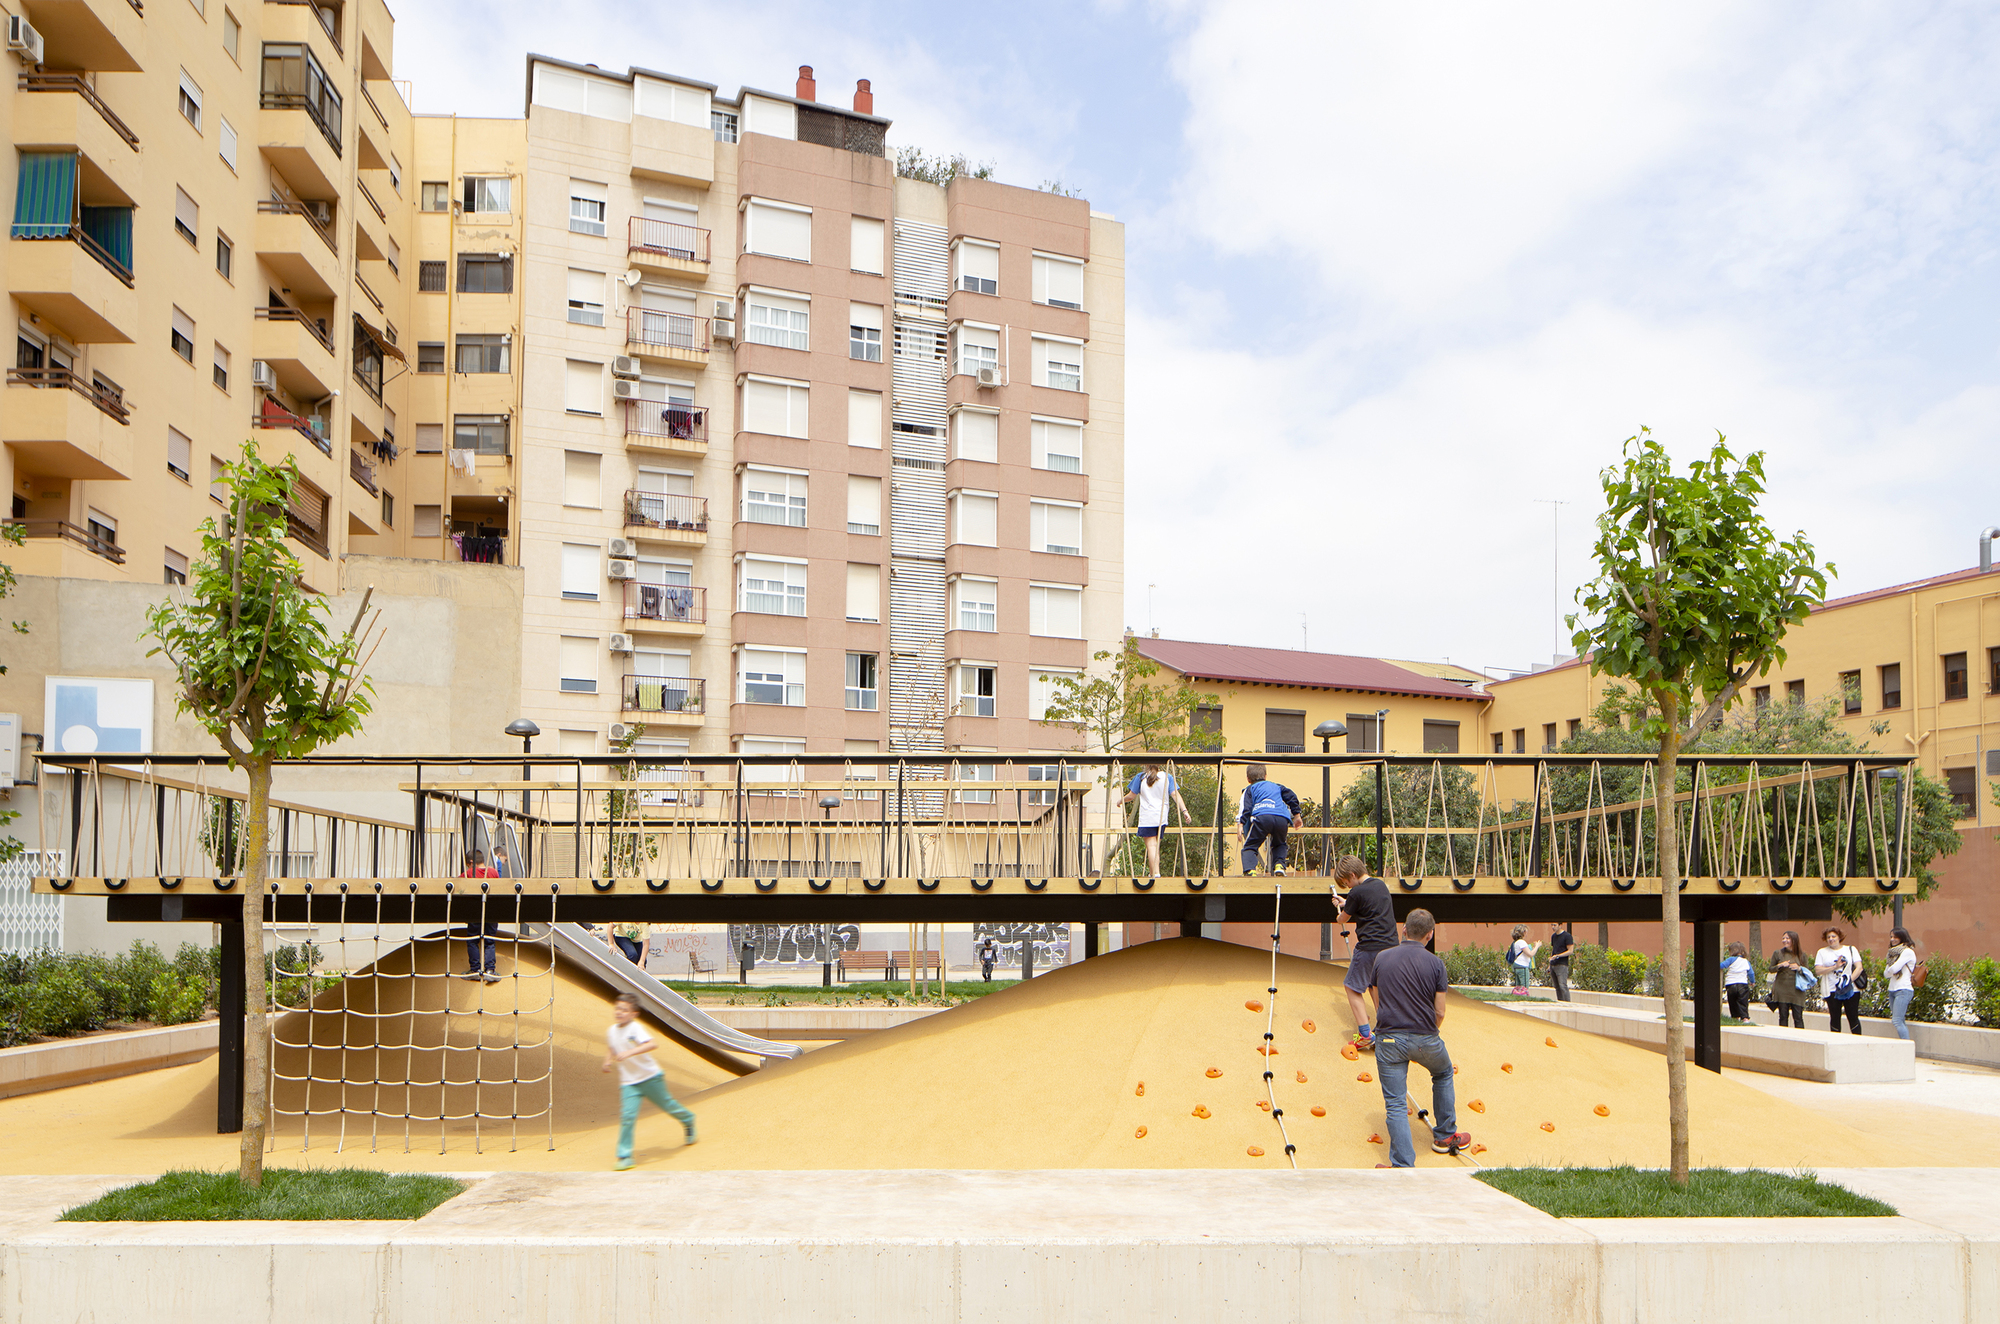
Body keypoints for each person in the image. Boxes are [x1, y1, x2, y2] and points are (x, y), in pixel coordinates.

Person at [1366, 908, 1471, 1168]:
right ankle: (1446, 1135)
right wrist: (1429, 1029)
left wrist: (1386, 1018)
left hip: (1388, 1038)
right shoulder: (1435, 964)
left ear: (1403, 929)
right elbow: (1440, 1011)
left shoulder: (1382, 957)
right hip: (1425, 1038)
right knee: (1444, 1073)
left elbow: (1374, 993)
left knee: (1396, 1102)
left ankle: (1402, 1164)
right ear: (1430, 935)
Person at [601, 992, 696, 1170]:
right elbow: (612, 1046)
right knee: (627, 1116)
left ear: (633, 1014)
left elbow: (652, 1044)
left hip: (650, 1077)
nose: (619, 1012)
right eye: (618, 1008)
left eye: (624, 1010)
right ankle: (625, 1155)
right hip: (629, 1082)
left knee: (668, 1105)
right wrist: (607, 1060)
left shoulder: (635, 1028)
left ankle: (687, 1119)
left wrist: (630, 1052)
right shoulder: (612, 1031)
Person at [1331, 854, 1397, 1053]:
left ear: (1352, 875)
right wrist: (1347, 900)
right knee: (1375, 987)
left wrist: (1339, 913)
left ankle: (1365, 1035)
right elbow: (1368, 907)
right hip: (1391, 947)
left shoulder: (1356, 893)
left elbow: (1343, 918)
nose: (1349, 888)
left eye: (1347, 883)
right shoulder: (1380, 885)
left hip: (1369, 947)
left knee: (1351, 987)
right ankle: (1387, 1033)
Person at [1122, 764, 1192, 879]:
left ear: (1145, 763)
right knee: (1155, 846)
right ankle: (1154, 871)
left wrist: (1121, 800)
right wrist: (1184, 810)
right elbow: (1175, 794)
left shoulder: (1141, 777)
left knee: (1151, 845)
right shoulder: (1167, 777)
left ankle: (1155, 873)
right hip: (1161, 816)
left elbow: (1131, 796)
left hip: (1147, 816)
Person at [1236, 764, 1303, 877]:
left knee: (1250, 845)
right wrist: (1297, 815)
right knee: (1280, 843)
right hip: (1281, 818)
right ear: (1266, 776)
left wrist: (1240, 824)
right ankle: (1279, 865)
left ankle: (1250, 870)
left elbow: (1245, 807)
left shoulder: (1249, 789)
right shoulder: (1277, 786)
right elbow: (1291, 796)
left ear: (1248, 779)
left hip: (1262, 817)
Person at [458, 850, 503, 983]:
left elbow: (458, 889)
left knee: (472, 940)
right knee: (489, 940)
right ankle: (490, 970)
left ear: (471, 863)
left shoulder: (467, 875)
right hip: (491, 911)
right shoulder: (493, 872)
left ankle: (475, 970)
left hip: (475, 911)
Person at [1814, 925, 1863, 1034]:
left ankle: (1858, 1039)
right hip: (1832, 989)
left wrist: (1848, 981)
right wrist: (1834, 967)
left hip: (1851, 989)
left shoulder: (1850, 949)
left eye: (1833, 936)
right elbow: (1818, 970)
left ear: (1839, 937)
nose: (1831, 939)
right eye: (1828, 937)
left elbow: (1859, 967)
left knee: (1853, 1016)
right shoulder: (1822, 952)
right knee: (1835, 1017)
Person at [1768, 931, 1811, 1028]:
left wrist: (1799, 968)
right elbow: (1771, 969)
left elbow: (1808, 972)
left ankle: (1800, 1039)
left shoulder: (1801, 955)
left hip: (1797, 990)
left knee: (1798, 1017)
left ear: (1794, 940)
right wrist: (1780, 965)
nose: (1784, 941)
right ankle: (1784, 1038)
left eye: (1787, 938)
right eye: (1783, 938)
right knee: (1783, 1016)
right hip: (1782, 989)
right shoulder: (1777, 953)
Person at [1885, 928, 1918, 1040]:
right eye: (1891, 937)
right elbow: (1886, 974)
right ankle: (1906, 1046)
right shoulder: (1892, 954)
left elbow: (1893, 969)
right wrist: (1891, 970)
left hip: (1903, 989)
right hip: (1892, 989)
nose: (1892, 939)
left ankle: (1907, 1046)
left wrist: (1891, 970)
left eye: (1895, 937)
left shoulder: (1907, 951)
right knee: (1900, 1020)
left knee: (1897, 1020)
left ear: (1902, 937)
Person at [1721, 941, 1754, 1021]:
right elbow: (1751, 973)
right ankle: (1745, 1018)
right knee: (1743, 1002)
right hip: (1742, 984)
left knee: (1732, 1002)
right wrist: (1752, 982)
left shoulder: (1731, 959)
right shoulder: (1746, 961)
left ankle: (1735, 1017)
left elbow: (1722, 965)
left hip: (1731, 984)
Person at [1505, 926, 1538, 996]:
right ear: (1523, 932)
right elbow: (1530, 954)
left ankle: (1517, 998)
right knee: (1524, 987)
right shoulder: (1522, 942)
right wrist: (1537, 946)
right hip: (1522, 966)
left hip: (1516, 965)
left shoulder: (1515, 942)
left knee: (1518, 986)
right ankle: (1524, 999)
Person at [1547, 923, 1574, 1002]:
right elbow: (1554, 950)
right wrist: (1550, 964)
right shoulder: (1553, 936)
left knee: (1562, 985)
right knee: (1557, 986)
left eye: (1555, 925)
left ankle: (1567, 1003)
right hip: (1553, 964)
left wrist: (1558, 956)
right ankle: (1560, 1002)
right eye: (1552, 925)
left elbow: (1570, 951)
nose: (1553, 927)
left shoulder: (1567, 936)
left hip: (1562, 964)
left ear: (1560, 925)